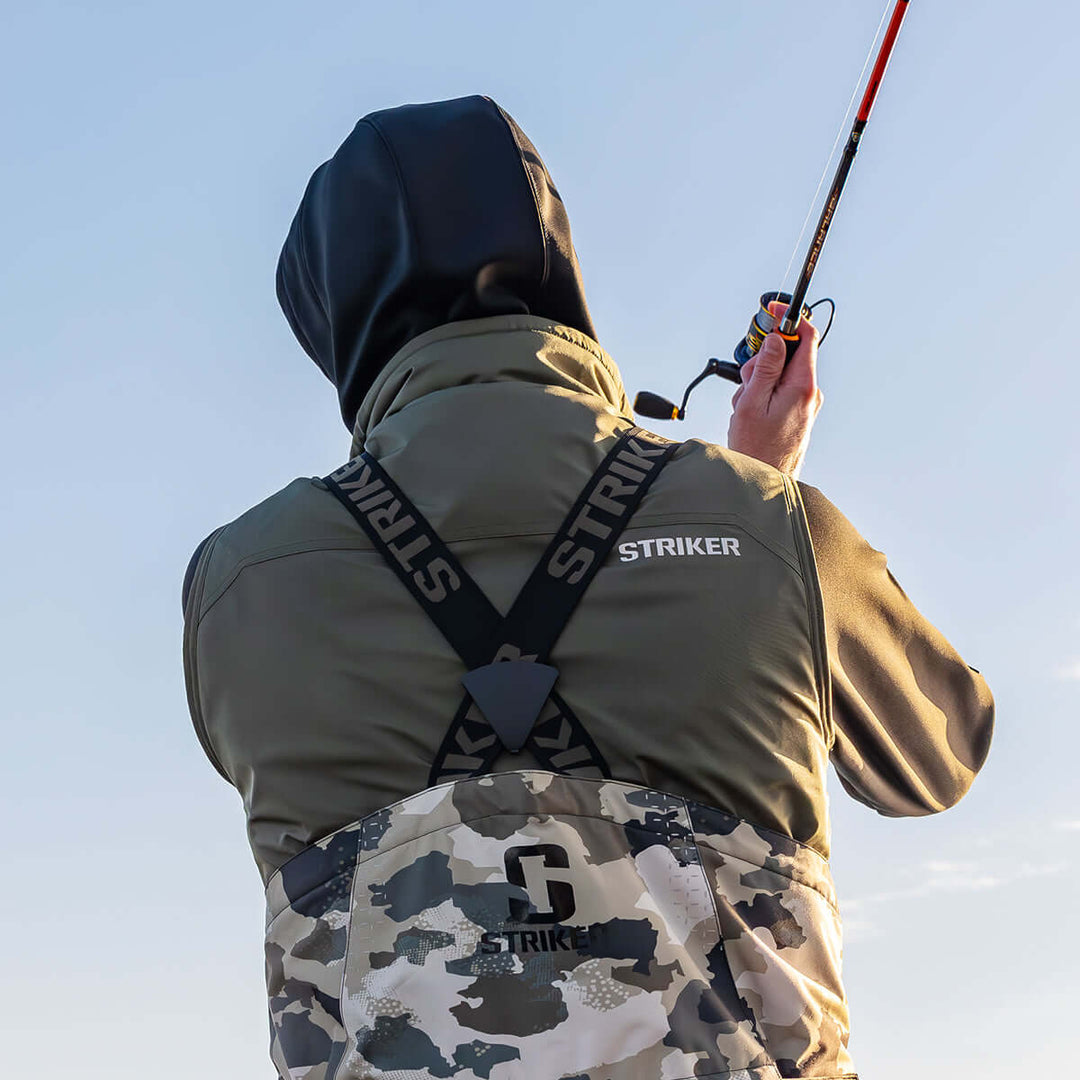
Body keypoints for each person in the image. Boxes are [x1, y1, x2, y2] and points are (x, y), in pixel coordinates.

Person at [182, 96, 993, 1080]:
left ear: (331, 321)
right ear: (553, 266)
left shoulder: (239, 587)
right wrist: (762, 504)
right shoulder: (768, 525)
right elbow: (940, 755)